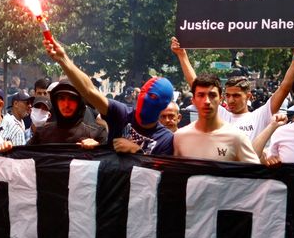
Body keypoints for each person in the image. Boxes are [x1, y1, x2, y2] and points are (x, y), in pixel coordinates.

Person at [44, 39, 174, 155]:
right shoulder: (122, 114)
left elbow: (159, 176)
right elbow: (89, 90)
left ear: (163, 105)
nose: (145, 99)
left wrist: (138, 152)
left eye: (152, 96)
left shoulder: (165, 139)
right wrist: (63, 60)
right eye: (143, 93)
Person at [171, 34, 294, 143]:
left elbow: (284, 87)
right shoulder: (221, 113)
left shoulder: (260, 115)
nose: (231, 100)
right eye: (228, 95)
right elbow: (196, 85)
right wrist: (182, 55)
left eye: (236, 96)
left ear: (249, 97)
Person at [174, 74, 259, 163]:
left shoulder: (237, 138)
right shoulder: (179, 137)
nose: (206, 101)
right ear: (193, 100)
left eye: (212, 95)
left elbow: (255, 173)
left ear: (220, 99)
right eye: (201, 95)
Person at [28, 80, 107, 147]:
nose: (66, 105)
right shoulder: (42, 134)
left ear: (80, 102)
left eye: (72, 99)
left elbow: (110, 159)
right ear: (55, 102)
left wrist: (99, 148)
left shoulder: (97, 134)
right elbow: (23, 157)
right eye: (61, 99)